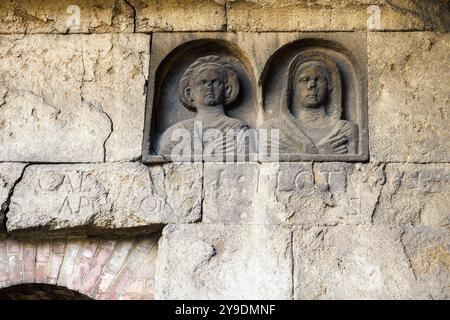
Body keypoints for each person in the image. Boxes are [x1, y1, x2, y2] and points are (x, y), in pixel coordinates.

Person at [262, 51, 358, 155]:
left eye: (319, 79)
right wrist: (320, 152)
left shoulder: (344, 131)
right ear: (292, 88)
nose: (311, 85)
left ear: (330, 86)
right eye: (304, 79)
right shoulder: (273, 129)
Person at [156, 55, 251, 160]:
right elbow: (165, 155)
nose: (209, 86)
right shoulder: (175, 132)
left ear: (227, 90)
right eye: (202, 82)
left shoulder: (238, 129)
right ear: (189, 93)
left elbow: (247, 156)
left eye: (215, 82)